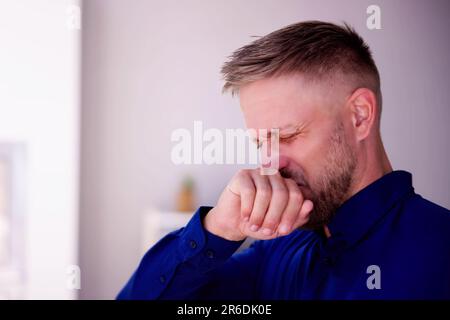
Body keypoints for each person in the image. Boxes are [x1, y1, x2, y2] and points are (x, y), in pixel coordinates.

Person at [117, 21, 450, 300]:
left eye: (287, 135)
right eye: (262, 142)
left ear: (360, 116)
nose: (270, 163)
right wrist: (216, 228)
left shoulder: (441, 253)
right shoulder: (275, 252)